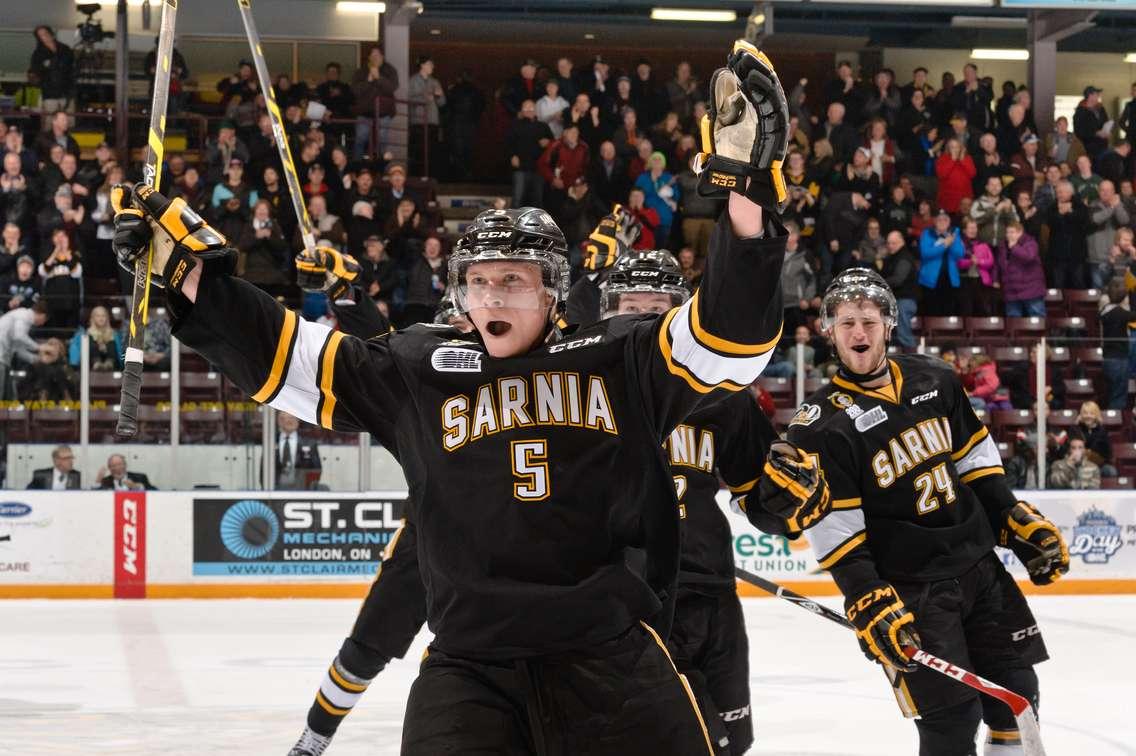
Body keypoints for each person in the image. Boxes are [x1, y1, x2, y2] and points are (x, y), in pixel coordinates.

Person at [114, 39, 790, 756]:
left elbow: (728, 341)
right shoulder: (422, 365)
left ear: (555, 291)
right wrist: (189, 277)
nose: (491, 295)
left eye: (514, 281)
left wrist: (745, 199)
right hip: (471, 667)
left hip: (612, 656)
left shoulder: (617, 355)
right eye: (479, 281)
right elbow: (293, 360)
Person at [754, 267, 1068, 756]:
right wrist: (866, 593)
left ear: (887, 325)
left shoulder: (934, 378)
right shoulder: (819, 427)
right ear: (830, 332)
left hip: (979, 568)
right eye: (846, 322)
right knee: (950, 722)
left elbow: (973, 460)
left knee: (1017, 697)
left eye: (869, 320)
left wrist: (1009, 516)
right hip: (913, 590)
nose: (859, 331)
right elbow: (836, 530)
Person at [352, 47, 399, 161]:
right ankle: (358, 168)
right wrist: (368, 81)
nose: (375, 58)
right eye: (372, 55)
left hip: (383, 112)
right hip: (364, 112)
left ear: (382, 57)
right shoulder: (361, 71)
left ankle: (381, 171)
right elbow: (355, 91)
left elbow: (392, 87)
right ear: (369, 57)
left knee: (382, 142)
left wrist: (379, 78)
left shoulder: (390, 70)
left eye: (377, 55)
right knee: (360, 139)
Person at [506, 100, 553, 210]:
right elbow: (508, 144)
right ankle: (514, 226)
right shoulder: (514, 125)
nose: (528, 111)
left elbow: (554, 144)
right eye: (526, 109)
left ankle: (536, 226)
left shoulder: (543, 126)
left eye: (531, 108)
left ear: (536, 111)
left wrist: (548, 142)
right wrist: (512, 155)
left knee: (538, 200)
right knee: (517, 199)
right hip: (521, 168)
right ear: (522, 111)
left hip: (539, 168)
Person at [918, 209, 965, 317]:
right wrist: (944, 245)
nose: (942, 222)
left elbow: (959, 254)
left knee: (949, 309)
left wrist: (950, 241)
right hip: (930, 280)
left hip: (950, 279)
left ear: (949, 222)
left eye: (945, 220)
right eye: (939, 219)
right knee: (932, 310)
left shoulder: (954, 234)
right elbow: (925, 253)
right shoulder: (927, 233)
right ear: (935, 221)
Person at [997, 222, 1047, 319]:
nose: (1009, 235)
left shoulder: (1030, 243)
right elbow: (999, 264)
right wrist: (995, 279)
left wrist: (1015, 247)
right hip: (1011, 289)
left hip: (1031, 289)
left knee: (1037, 318)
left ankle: (1039, 335)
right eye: (1007, 232)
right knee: (1013, 321)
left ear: (1020, 232)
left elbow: (1029, 257)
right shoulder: (1003, 245)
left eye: (1012, 232)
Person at [1087, 181, 1130, 290]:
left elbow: (1124, 220)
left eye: (1109, 190)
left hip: (1116, 257)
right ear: (1098, 192)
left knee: (1118, 291)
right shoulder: (1092, 205)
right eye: (1103, 190)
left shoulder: (1119, 205)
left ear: (1114, 192)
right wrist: (1111, 207)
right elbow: (1096, 219)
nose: (1106, 193)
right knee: (1098, 291)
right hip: (1097, 258)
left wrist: (1118, 206)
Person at [1100, 278, 1136, 410]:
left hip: (1108, 358)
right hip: (1119, 360)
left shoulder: (1104, 310)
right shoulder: (1119, 313)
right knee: (1119, 396)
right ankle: (1114, 422)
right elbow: (1133, 316)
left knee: (1112, 393)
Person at [407, 56, 446, 177]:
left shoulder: (435, 81)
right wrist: (425, 97)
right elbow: (408, 99)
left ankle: (431, 177)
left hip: (432, 121)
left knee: (432, 152)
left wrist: (439, 96)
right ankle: (417, 177)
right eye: (430, 64)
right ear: (422, 65)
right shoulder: (412, 80)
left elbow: (443, 103)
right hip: (418, 122)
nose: (432, 67)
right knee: (418, 152)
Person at [0, 301, 47, 399]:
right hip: (1, 356)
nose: (42, 324)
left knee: (9, 395)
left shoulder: (21, 317)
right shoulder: (25, 315)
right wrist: (39, 347)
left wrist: (35, 359)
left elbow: (18, 349)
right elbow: (19, 336)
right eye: (44, 320)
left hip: (4, 358)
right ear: (41, 314)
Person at [29, 26, 75, 117]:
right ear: (39, 39)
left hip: (67, 92)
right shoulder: (37, 54)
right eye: (41, 35)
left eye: (45, 33)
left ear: (51, 34)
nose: (44, 36)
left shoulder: (65, 49)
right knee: (49, 121)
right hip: (49, 93)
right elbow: (34, 73)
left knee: (69, 120)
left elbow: (72, 67)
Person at [274, 410, 323, 490]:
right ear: (279, 421)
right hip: (276, 490)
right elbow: (264, 469)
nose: (290, 421)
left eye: (293, 418)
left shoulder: (310, 443)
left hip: (302, 491)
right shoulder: (271, 442)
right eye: (287, 418)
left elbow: (317, 469)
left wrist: (310, 490)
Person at [19, 337, 76, 402]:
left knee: (58, 371)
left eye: (55, 345)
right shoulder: (38, 362)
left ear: (60, 349)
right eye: (50, 345)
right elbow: (29, 378)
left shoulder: (64, 363)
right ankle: (46, 395)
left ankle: (64, 394)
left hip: (59, 392)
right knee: (46, 369)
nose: (52, 348)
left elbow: (72, 379)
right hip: (39, 391)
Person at [68, 305, 122, 371]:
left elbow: (121, 353)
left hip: (112, 368)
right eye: (98, 316)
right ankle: (97, 363)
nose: (101, 318)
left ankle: (109, 364)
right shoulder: (85, 333)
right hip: (90, 369)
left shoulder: (115, 334)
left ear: (107, 318)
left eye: (103, 316)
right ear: (93, 318)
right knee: (89, 339)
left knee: (111, 343)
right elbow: (75, 351)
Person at [935, 137, 976, 215]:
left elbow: (972, 174)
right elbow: (941, 175)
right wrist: (952, 160)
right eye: (952, 147)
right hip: (948, 198)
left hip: (964, 198)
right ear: (948, 148)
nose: (955, 149)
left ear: (961, 148)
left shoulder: (967, 158)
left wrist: (962, 160)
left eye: (957, 147)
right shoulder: (942, 159)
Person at [1073, 85, 1111, 161]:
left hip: (1103, 146)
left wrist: (1107, 132)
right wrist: (1095, 133)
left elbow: (1106, 122)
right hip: (1088, 149)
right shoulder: (1080, 112)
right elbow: (1078, 132)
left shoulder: (1101, 109)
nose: (1098, 97)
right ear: (1090, 96)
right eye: (1097, 95)